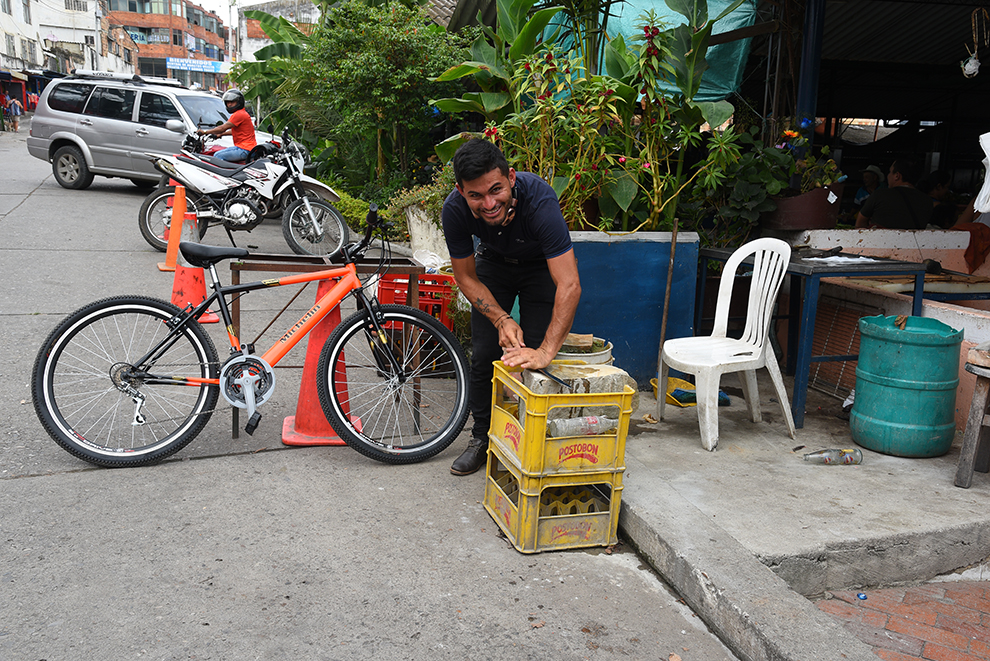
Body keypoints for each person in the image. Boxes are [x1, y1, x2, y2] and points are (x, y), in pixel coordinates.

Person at [441, 139, 582, 476]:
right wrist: (501, 318)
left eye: (496, 190)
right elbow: (464, 275)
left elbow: (569, 283)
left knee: (534, 356)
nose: (489, 204)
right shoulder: (454, 210)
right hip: (493, 263)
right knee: (485, 353)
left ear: (511, 178)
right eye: (476, 195)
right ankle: (481, 439)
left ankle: (533, 441)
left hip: (539, 267)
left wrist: (547, 350)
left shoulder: (540, 200)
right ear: (461, 191)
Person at [855, 160, 933, 229]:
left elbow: (859, 225)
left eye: (890, 172)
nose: (888, 176)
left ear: (897, 176)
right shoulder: (928, 201)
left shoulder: (880, 195)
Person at [196, 89, 256, 162]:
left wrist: (205, 132)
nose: (229, 104)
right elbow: (235, 131)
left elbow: (222, 128)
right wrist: (220, 135)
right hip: (248, 148)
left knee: (217, 155)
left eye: (232, 102)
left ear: (239, 102)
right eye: (228, 102)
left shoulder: (239, 114)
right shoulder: (242, 113)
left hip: (245, 149)